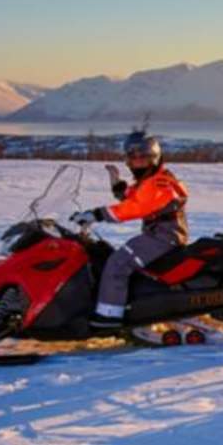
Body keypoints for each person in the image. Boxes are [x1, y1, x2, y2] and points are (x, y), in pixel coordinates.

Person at [71, 130, 190, 331]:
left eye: (142, 158)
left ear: (154, 158)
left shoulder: (160, 183)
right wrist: (119, 187)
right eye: (132, 159)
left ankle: (109, 317)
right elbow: (137, 197)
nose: (136, 163)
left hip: (164, 237)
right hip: (159, 235)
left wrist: (96, 214)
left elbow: (136, 207)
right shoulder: (153, 180)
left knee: (118, 263)